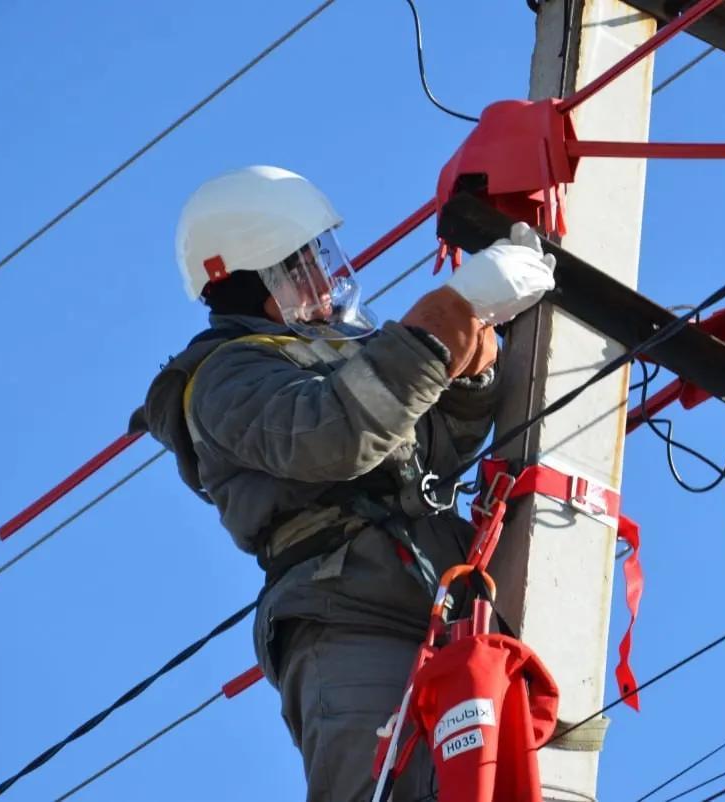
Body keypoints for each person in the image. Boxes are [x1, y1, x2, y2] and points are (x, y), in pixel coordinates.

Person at [140, 165, 555, 800]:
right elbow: (336, 435)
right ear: (258, 278)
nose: (328, 278)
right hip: (348, 621)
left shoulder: (330, 350)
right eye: (305, 263)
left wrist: (468, 372)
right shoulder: (226, 378)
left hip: (438, 614)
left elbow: (425, 451)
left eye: (324, 256)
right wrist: (439, 328)